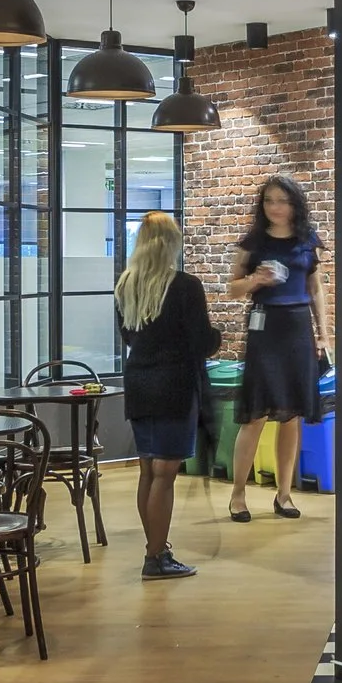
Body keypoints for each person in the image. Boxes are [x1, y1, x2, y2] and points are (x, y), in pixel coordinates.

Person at [115, 210, 218, 579]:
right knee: (165, 475)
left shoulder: (125, 285)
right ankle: (155, 556)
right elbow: (202, 342)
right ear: (172, 243)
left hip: (139, 384)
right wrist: (218, 335)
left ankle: (155, 550)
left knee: (148, 471)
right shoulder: (186, 286)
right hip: (174, 387)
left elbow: (129, 338)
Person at [225, 176, 329, 523]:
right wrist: (256, 280)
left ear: (294, 204)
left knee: (293, 415)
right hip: (265, 326)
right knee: (255, 414)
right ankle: (238, 494)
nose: (275, 207)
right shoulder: (253, 242)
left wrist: (323, 334)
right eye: (269, 201)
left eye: (282, 201)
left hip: (298, 327)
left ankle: (284, 494)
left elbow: (316, 289)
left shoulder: (306, 241)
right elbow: (232, 290)